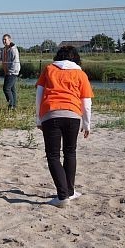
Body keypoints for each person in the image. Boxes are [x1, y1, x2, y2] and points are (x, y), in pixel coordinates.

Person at [35, 45, 94, 208]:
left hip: (51, 114)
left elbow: (39, 94)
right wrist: (87, 123)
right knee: (70, 152)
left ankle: (63, 196)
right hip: (73, 116)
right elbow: (86, 102)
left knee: (53, 155)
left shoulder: (49, 69)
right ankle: (69, 191)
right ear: (76, 58)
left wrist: (39, 118)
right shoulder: (80, 73)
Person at [0, 34, 21, 109]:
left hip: (12, 72)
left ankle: (10, 105)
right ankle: (14, 106)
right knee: (12, 89)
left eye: (5, 39)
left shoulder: (13, 50)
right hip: (7, 71)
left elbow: (15, 61)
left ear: (10, 40)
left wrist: (10, 71)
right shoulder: (4, 50)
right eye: (3, 39)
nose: (4, 41)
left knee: (6, 88)